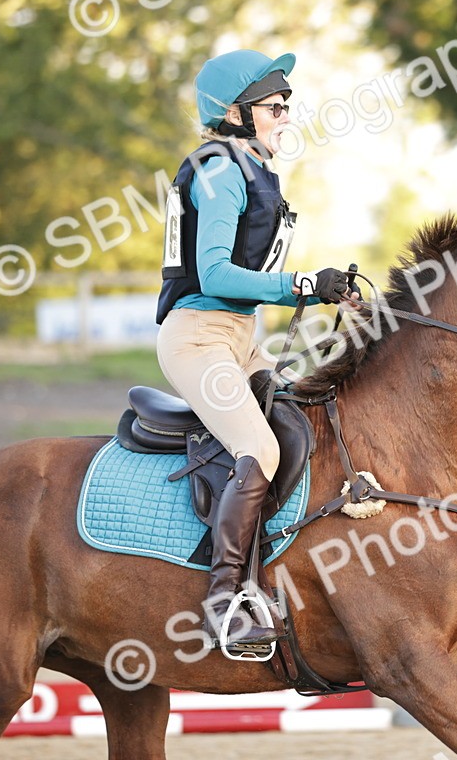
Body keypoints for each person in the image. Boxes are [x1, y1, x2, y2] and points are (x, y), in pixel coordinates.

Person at [156, 49, 353, 649]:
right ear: (235, 113)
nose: (285, 116)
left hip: (240, 339)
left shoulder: (247, 167)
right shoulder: (218, 170)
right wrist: (301, 285)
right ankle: (225, 600)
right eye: (274, 106)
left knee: (310, 422)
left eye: (286, 105)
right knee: (259, 446)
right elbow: (214, 274)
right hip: (198, 338)